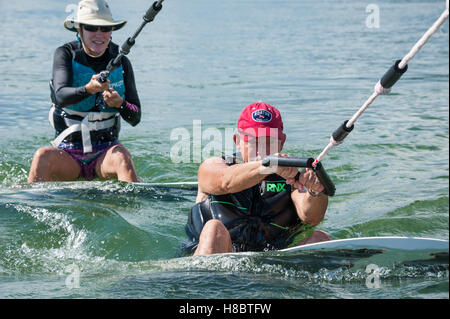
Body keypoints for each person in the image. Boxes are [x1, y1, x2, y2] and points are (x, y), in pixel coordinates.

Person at [184, 102, 331, 255]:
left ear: (281, 143)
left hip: (271, 262)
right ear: (237, 142)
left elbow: (312, 217)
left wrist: (315, 191)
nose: (262, 151)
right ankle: (203, 277)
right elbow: (225, 182)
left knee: (321, 239)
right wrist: (268, 165)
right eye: (253, 141)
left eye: (270, 142)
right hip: (216, 257)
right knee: (214, 229)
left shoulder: (293, 177)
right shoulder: (213, 166)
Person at [28, 0, 141, 183]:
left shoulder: (122, 61)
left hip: (106, 154)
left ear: (111, 31)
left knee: (122, 156)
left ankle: (137, 204)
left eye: (105, 28)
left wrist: (120, 104)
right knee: (42, 156)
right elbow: (60, 96)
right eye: (91, 27)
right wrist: (88, 89)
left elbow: (136, 117)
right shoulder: (65, 54)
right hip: (68, 153)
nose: (99, 34)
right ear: (79, 29)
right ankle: (28, 202)